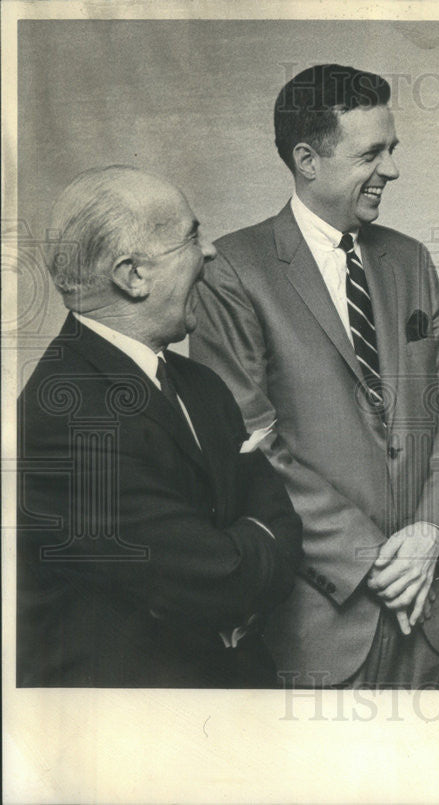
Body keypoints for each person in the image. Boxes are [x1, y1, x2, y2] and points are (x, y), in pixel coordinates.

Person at [189, 64, 439, 687]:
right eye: (372, 153)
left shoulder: (409, 260)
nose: (393, 170)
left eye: (392, 149)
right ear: (307, 160)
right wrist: (376, 561)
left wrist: (431, 532)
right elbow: (251, 444)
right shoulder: (232, 272)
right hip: (316, 628)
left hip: (427, 620)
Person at [17, 166, 303, 687]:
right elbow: (221, 580)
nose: (211, 251)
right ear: (133, 276)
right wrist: (253, 542)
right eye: (193, 236)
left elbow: (274, 526)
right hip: (133, 732)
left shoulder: (201, 385)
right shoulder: (65, 420)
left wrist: (240, 545)